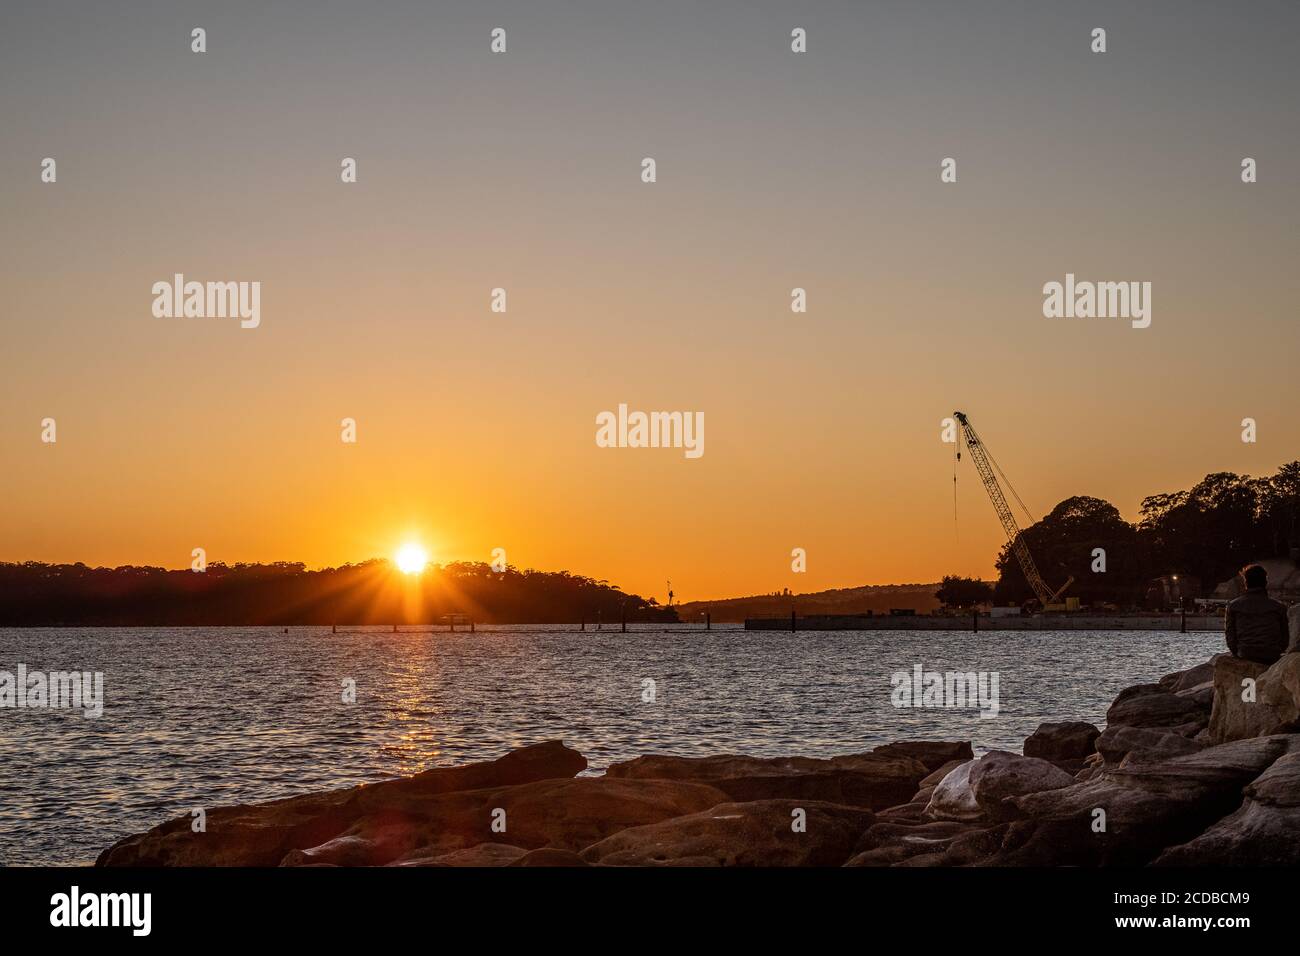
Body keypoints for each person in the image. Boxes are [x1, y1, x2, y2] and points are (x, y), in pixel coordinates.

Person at [1225, 565, 1289, 666]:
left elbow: (1230, 636)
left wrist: (1236, 652)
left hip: (1245, 652)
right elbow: (1285, 639)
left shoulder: (1233, 606)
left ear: (1246, 583)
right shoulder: (1279, 607)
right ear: (1265, 582)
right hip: (1271, 654)